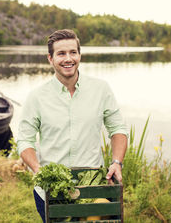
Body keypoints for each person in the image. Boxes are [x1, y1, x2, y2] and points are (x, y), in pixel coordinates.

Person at [16, 29, 128, 222]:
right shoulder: (37, 97)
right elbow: (24, 141)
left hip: (92, 185)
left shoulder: (101, 89)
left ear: (79, 55)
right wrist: (38, 169)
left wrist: (116, 162)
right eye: (61, 54)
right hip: (51, 191)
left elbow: (117, 129)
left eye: (73, 52)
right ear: (50, 59)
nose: (68, 59)